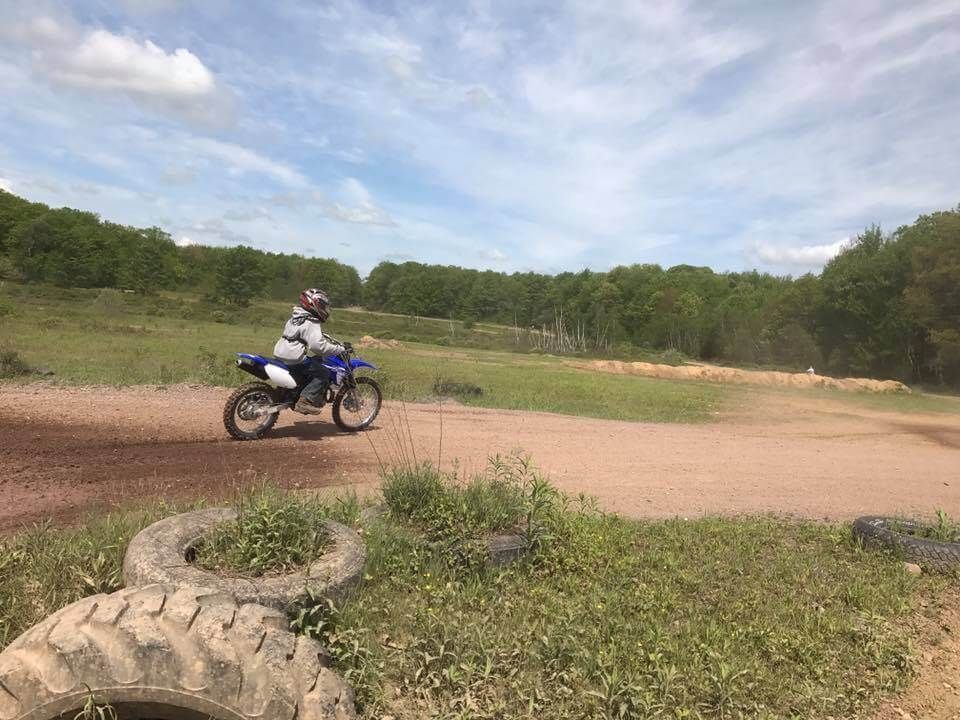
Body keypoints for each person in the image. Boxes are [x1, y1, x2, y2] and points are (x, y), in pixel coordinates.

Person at [273, 288, 350, 414]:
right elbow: (318, 347)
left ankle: (289, 392)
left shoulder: (295, 317)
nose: (324, 308)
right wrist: (339, 349)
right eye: (322, 305)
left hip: (280, 355)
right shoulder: (311, 322)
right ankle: (304, 401)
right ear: (313, 304)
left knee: (314, 361)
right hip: (294, 359)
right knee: (322, 372)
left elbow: (303, 335)